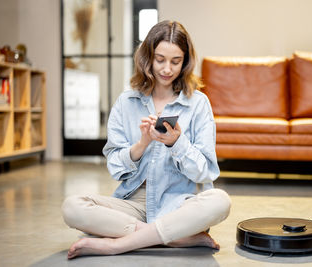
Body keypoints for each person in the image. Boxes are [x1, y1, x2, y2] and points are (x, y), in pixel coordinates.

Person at [61, 20, 231, 259]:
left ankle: (117, 245)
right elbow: (115, 168)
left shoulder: (198, 103)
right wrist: (141, 145)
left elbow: (205, 173)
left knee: (220, 201)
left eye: (175, 61)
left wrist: (176, 143)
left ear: (185, 62)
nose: (167, 69)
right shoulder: (126, 102)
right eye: (160, 59)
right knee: (72, 206)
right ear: (147, 57)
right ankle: (174, 238)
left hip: (178, 204)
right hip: (133, 205)